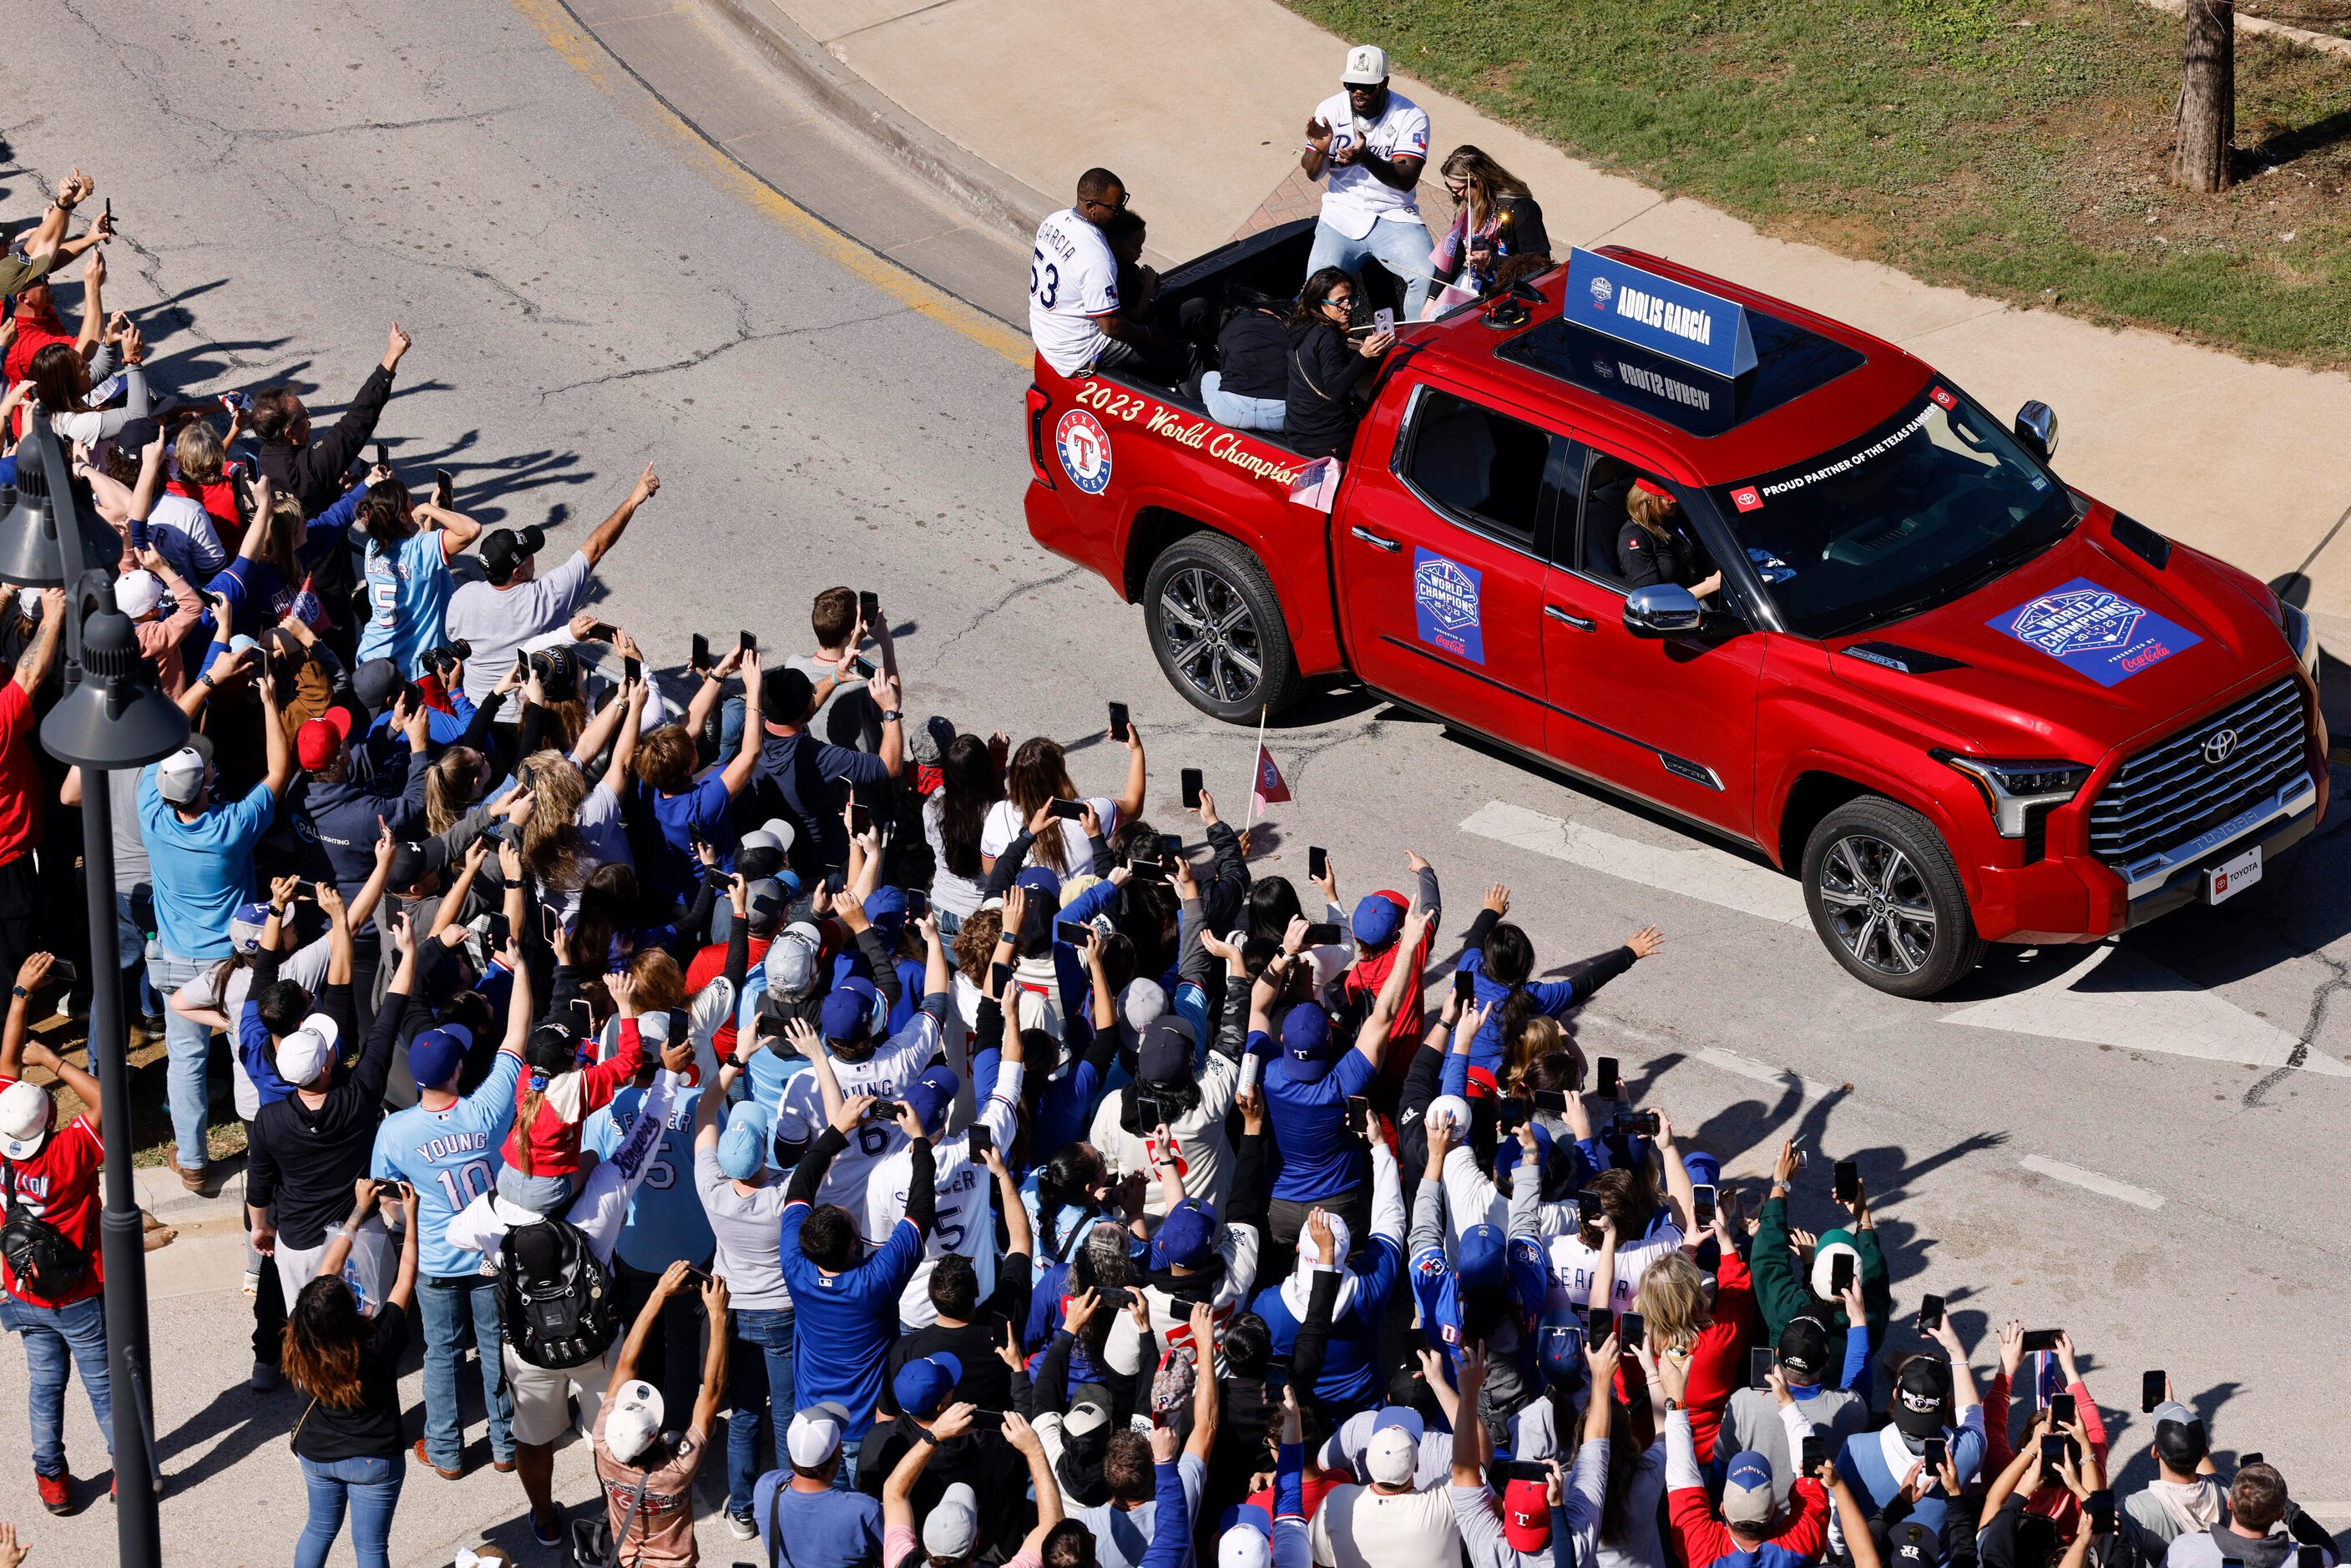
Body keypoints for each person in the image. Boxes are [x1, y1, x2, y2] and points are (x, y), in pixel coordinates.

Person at [141, 670, 295, 1189]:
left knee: (183, 1062)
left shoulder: (150, 813)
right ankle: (268, 1153)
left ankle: (193, 1161)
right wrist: (271, 702)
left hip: (174, 964)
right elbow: (279, 768)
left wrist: (207, 681)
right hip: (230, 967)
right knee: (247, 1054)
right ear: (208, 782)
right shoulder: (231, 828)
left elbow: (162, 731)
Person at [369, 986, 528, 1481]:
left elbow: (385, 1196)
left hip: (436, 1259)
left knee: (442, 1353)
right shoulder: (484, 1111)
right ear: (457, 1070)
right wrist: (520, 969)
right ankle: (505, 1445)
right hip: (489, 1256)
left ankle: (446, 1450)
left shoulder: (396, 1130)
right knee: (496, 1347)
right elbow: (516, 1039)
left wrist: (405, 1222)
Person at [776, 1090, 935, 1485]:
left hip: (814, 1419)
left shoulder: (796, 1266)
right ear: (852, 1245)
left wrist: (838, 1130)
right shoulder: (874, 1280)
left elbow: (800, 1187)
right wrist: (919, 1141)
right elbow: (920, 1212)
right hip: (867, 1424)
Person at [0, 954, 112, 1515]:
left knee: (45, 1386)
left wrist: (20, 993)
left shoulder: (1, 1143)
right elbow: (105, 1100)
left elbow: (4, 1067)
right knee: (104, 1388)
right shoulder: (71, 1152)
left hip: (20, 1291)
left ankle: (52, 1480)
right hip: (78, 1294)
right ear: (49, 1119)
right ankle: (129, 1476)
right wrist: (54, 1059)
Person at [283, 1180, 420, 1568]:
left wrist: (358, 1212)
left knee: (319, 1529)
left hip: (317, 1453)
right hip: (373, 1459)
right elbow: (404, 1279)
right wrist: (409, 1221)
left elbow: (327, 1268)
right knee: (372, 1549)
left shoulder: (298, 1335)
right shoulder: (377, 1342)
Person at [442, 464, 660, 705]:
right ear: (518, 571)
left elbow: (454, 639)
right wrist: (633, 500)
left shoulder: (463, 596)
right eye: (529, 555)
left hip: (478, 711)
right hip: (530, 715)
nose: (533, 557)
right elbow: (596, 547)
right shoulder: (544, 597)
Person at [590, 1262, 731, 1568]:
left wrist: (657, 1295)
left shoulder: (602, 1446)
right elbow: (714, 1388)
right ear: (654, 1434)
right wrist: (717, 1315)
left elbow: (626, 1360)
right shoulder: (676, 1469)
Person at [1302, 46, 1434, 319]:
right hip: (1342, 213)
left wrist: (1366, 158)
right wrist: (1320, 150)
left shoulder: (1411, 116)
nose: (1358, 91)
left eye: (1367, 86)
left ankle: (1413, 342)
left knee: (1428, 276)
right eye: (1351, 85)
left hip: (1394, 215)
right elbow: (1313, 173)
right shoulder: (1329, 109)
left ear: (1384, 82)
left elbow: (1406, 180)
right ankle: (1328, 348)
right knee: (1315, 290)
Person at [1028, 169, 1185, 385]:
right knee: (1182, 354)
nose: (1121, 213)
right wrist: (1149, 334)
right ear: (1091, 207)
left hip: (1046, 333)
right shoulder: (1096, 257)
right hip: (1079, 352)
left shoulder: (1053, 221)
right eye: (1115, 208)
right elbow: (1110, 327)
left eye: (1122, 205)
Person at [883, 1405, 1064, 1568]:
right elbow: (1053, 1526)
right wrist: (1033, 1449)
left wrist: (935, 1434)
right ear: (976, 1542)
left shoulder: (902, 1564)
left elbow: (894, 1492)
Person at [355, 471, 483, 675]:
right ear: (404, 516)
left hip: (372, 657)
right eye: (411, 501)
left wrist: (428, 524)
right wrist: (428, 508)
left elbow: (415, 563)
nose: (416, 505)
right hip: (412, 668)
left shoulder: (374, 547)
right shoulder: (420, 550)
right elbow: (471, 529)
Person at [0, 588, 63, 999]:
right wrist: (54, 616)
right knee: (10, 953)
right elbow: (30, 675)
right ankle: (11, 1030)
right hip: (7, 858)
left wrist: (5, 595)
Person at [1283, 268, 1393, 462]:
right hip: (1328, 438)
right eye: (1340, 302)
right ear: (1320, 303)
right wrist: (1363, 355)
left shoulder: (1303, 326)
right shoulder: (1327, 337)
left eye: (1351, 300)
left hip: (1298, 429)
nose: (1349, 307)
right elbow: (1335, 390)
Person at [1431, 148, 1550, 298]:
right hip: (1481, 287)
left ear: (1477, 182)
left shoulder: (1521, 209)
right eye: (1450, 187)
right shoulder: (1466, 207)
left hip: (1513, 292)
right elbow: (1457, 251)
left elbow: (1540, 264)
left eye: (1458, 189)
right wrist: (1432, 298)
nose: (1455, 194)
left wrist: (1491, 260)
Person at [1200, 289, 1291, 432]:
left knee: (1209, 377)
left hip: (1230, 411)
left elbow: (1224, 372)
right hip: (1279, 415)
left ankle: (1214, 431)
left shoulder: (1231, 327)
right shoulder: (1291, 328)